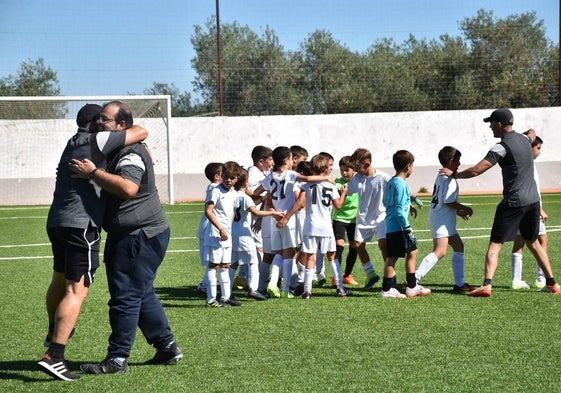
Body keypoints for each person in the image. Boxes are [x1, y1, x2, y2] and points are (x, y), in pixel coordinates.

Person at [69, 101, 183, 374]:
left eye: (105, 120)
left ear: (122, 126)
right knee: (141, 293)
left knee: (125, 297)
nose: (99, 123)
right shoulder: (118, 147)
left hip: (139, 235)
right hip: (137, 233)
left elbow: (129, 188)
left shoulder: (130, 152)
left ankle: (117, 359)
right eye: (97, 119)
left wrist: (93, 173)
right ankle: (166, 346)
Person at [38, 104, 148, 381]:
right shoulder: (96, 138)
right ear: (94, 124)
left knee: (59, 280)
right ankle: (55, 355)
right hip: (80, 225)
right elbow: (141, 130)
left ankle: (53, 330)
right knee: (77, 290)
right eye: (100, 119)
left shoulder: (73, 140)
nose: (103, 123)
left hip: (57, 221)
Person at [441, 108, 560, 297]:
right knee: (534, 243)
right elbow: (532, 132)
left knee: (496, 244)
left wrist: (454, 175)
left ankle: (487, 285)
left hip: (513, 202)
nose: (489, 127)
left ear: (499, 124)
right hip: (533, 202)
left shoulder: (501, 147)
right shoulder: (525, 140)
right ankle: (553, 283)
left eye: (491, 123)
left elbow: (476, 170)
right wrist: (525, 135)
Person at [254, 146, 329, 298]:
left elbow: (256, 192)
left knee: (278, 253)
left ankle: (272, 282)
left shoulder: (270, 177)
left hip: (274, 218)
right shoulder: (290, 174)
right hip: (288, 218)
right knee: (288, 254)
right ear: (287, 160)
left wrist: (267, 200)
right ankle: (285, 289)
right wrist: (325, 178)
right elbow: (307, 179)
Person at [280, 154, 351, 299]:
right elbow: (338, 205)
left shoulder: (306, 186)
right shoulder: (330, 186)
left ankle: (307, 290)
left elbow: (299, 203)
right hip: (325, 226)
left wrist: (286, 217)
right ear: (325, 170)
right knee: (332, 256)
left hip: (310, 225)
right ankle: (340, 288)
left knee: (310, 256)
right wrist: (343, 193)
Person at [415, 146, 475, 292]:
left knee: (458, 246)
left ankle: (460, 284)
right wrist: (466, 209)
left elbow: (444, 201)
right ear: (451, 160)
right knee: (440, 251)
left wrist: (458, 212)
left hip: (442, 218)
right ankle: (414, 279)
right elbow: (448, 201)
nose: (460, 164)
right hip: (441, 220)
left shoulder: (442, 175)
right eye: (458, 160)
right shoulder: (448, 178)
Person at [381, 150, 430, 298]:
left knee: (412, 252)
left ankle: (411, 286)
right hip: (398, 226)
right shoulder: (400, 184)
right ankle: (387, 289)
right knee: (393, 257)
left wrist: (410, 201)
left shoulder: (391, 182)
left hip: (390, 224)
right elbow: (398, 210)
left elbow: (387, 202)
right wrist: (407, 228)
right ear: (408, 166)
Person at [231, 168, 284, 301]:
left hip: (232, 230)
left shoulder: (232, 195)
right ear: (246, 182)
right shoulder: (245, 197)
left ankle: (227, 291)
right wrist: (273, 213)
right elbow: (255, 212)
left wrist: (262, 199)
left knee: (233, 262)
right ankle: (253, 289)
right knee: (253, 261)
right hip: (243, 232)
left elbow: (248, 206)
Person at [346, 148, 390, 289]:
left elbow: (396, 189)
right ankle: (371, 275)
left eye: (357, 167)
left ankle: (390, 276)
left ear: (367, 164)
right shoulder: (357, 178)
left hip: (380, 216)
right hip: (363, 217)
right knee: (358, 245)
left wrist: (409, 200)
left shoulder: (383, 177)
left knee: (383, 245)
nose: (356, 170)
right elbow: (347, 191)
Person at [510, 133, 547, 289]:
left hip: (519, 207)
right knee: (542, 240)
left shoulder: (520, 164)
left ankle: (516, 280)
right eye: (538, 148)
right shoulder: (528, 166)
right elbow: (531, 190)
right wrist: (540, 210)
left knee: (519, 242)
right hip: (531, 208)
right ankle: (541, 279)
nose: (539, 151)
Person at [245, 145, 277, 298]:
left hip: (258, 213)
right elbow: (247, 190)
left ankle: (249, 277)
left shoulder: (261, 172)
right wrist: (260, 198)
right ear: (261, 161)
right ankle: (256, 282)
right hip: (253, 215)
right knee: (259, 248)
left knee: (259, 247)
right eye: (270, 160)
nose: (272, 163)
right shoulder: (253, 173)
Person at [331, 155, 359, 286]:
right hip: (339, 219)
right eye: (342, 170)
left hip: (354, 219)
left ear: (354, 169)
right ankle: (335, 276)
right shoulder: (337, 182)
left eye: (347, 170)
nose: (344, 173)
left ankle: (347, 275)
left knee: (355, 247)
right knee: (339, 246)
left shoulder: (359, 181)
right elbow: (336, 189)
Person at [196, 162, 223, 294]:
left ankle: (205, 283)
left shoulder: (214, 187)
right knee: (214, 259)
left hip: (209, 227)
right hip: (209, 228)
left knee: (215, 259)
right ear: (217, 176)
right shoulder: (214, 188)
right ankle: (205, 284)